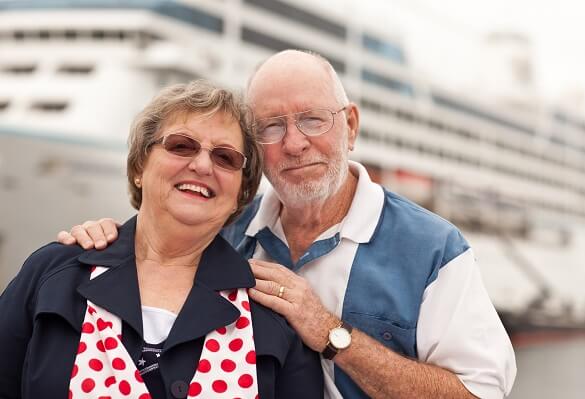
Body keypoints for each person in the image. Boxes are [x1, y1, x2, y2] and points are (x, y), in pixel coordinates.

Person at [57, 50, 517, 398]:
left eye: (313, 120)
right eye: (271, 127)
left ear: (351, 126)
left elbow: (480, 393)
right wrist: (111, 239)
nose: (295, 143)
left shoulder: (432, 249)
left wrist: (334, 337)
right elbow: (158, 249)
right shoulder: (227, 233)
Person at [0, 80, 324, 399]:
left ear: (241, 191)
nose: (201, 165)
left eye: (225, 158)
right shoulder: (52, 275)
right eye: (181, 145)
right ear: (140, 165)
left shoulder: (272, 316)